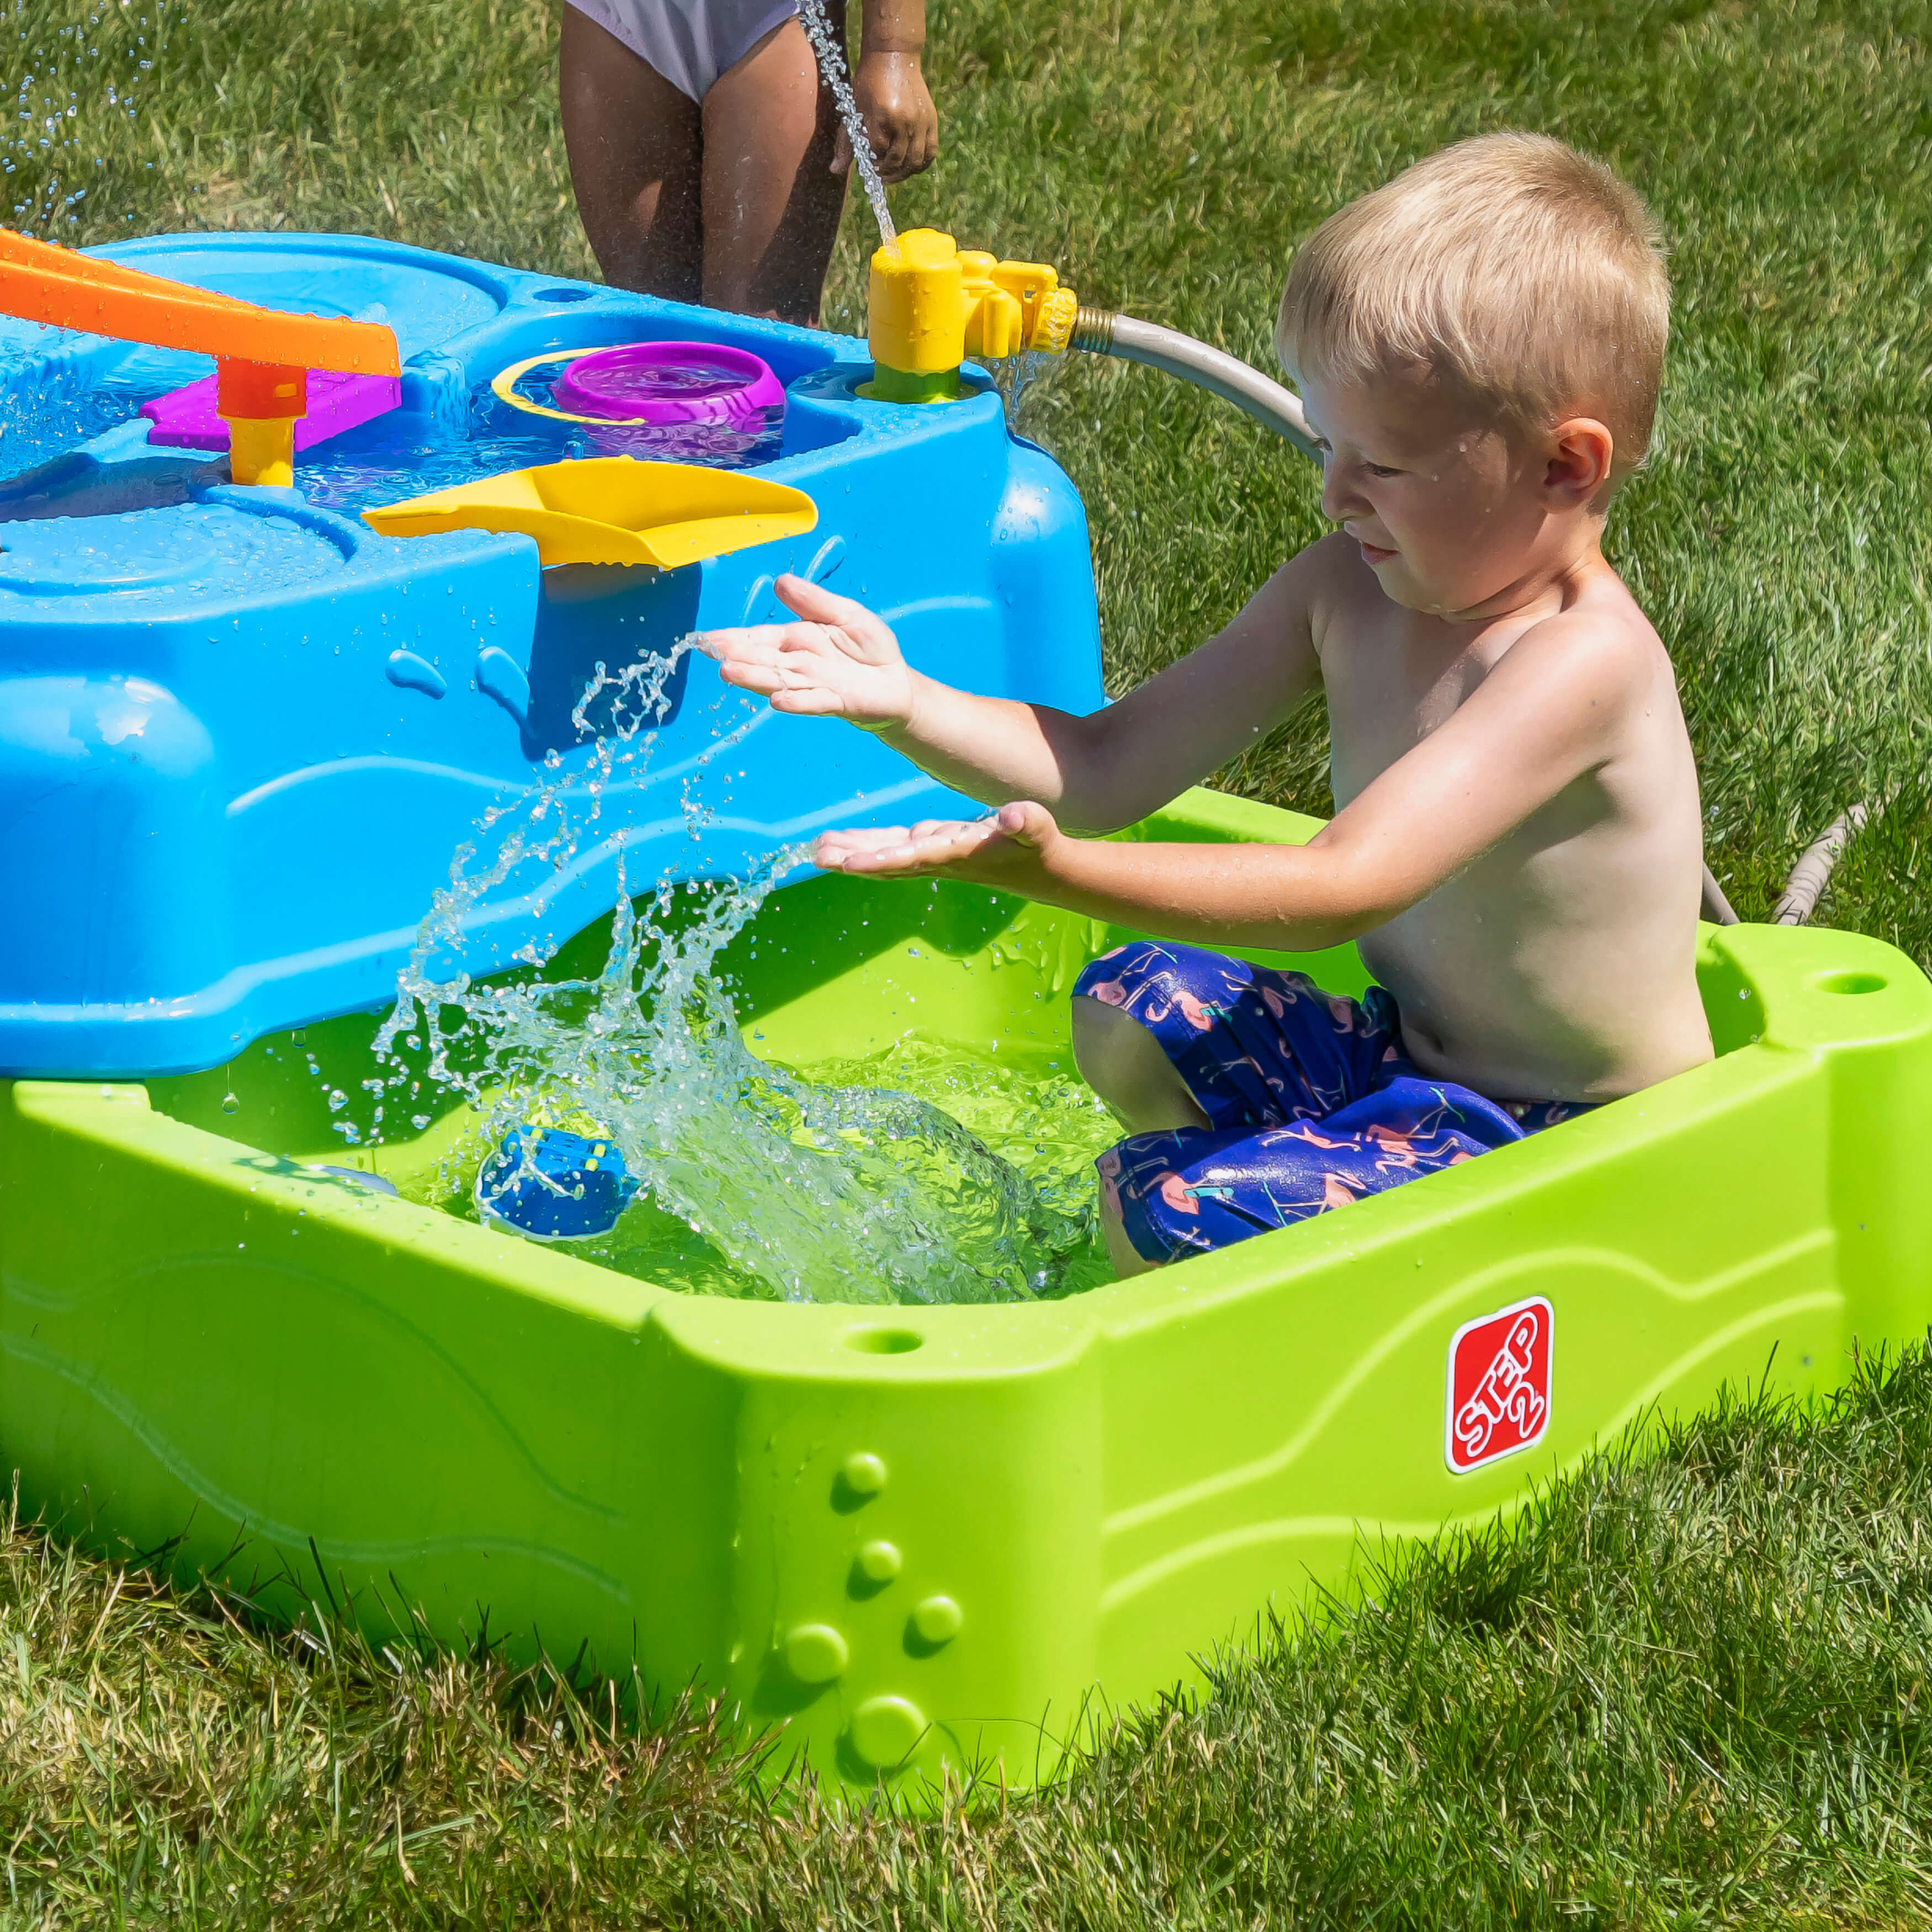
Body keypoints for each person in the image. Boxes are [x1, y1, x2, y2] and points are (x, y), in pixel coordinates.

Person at [698, 132, 1715, 1276]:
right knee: (1126, 1001)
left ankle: (1216, 1256)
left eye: (1381, 464)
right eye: (1329, 443)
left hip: (1572, 1134)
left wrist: (1051, 876)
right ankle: (1292, 1226)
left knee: (1166, 1210)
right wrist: (904, 701)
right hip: (1413, 1063)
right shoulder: (1347, 593)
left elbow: (1341, 888)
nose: (1331, 492)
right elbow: (1107, 763)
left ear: (1563, 468)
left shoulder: (1580, 663)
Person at [560, 0, 935, 326]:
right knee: (646, 318)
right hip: (617, 20)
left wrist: (894, 50)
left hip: (777, 20)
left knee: (762, 326)